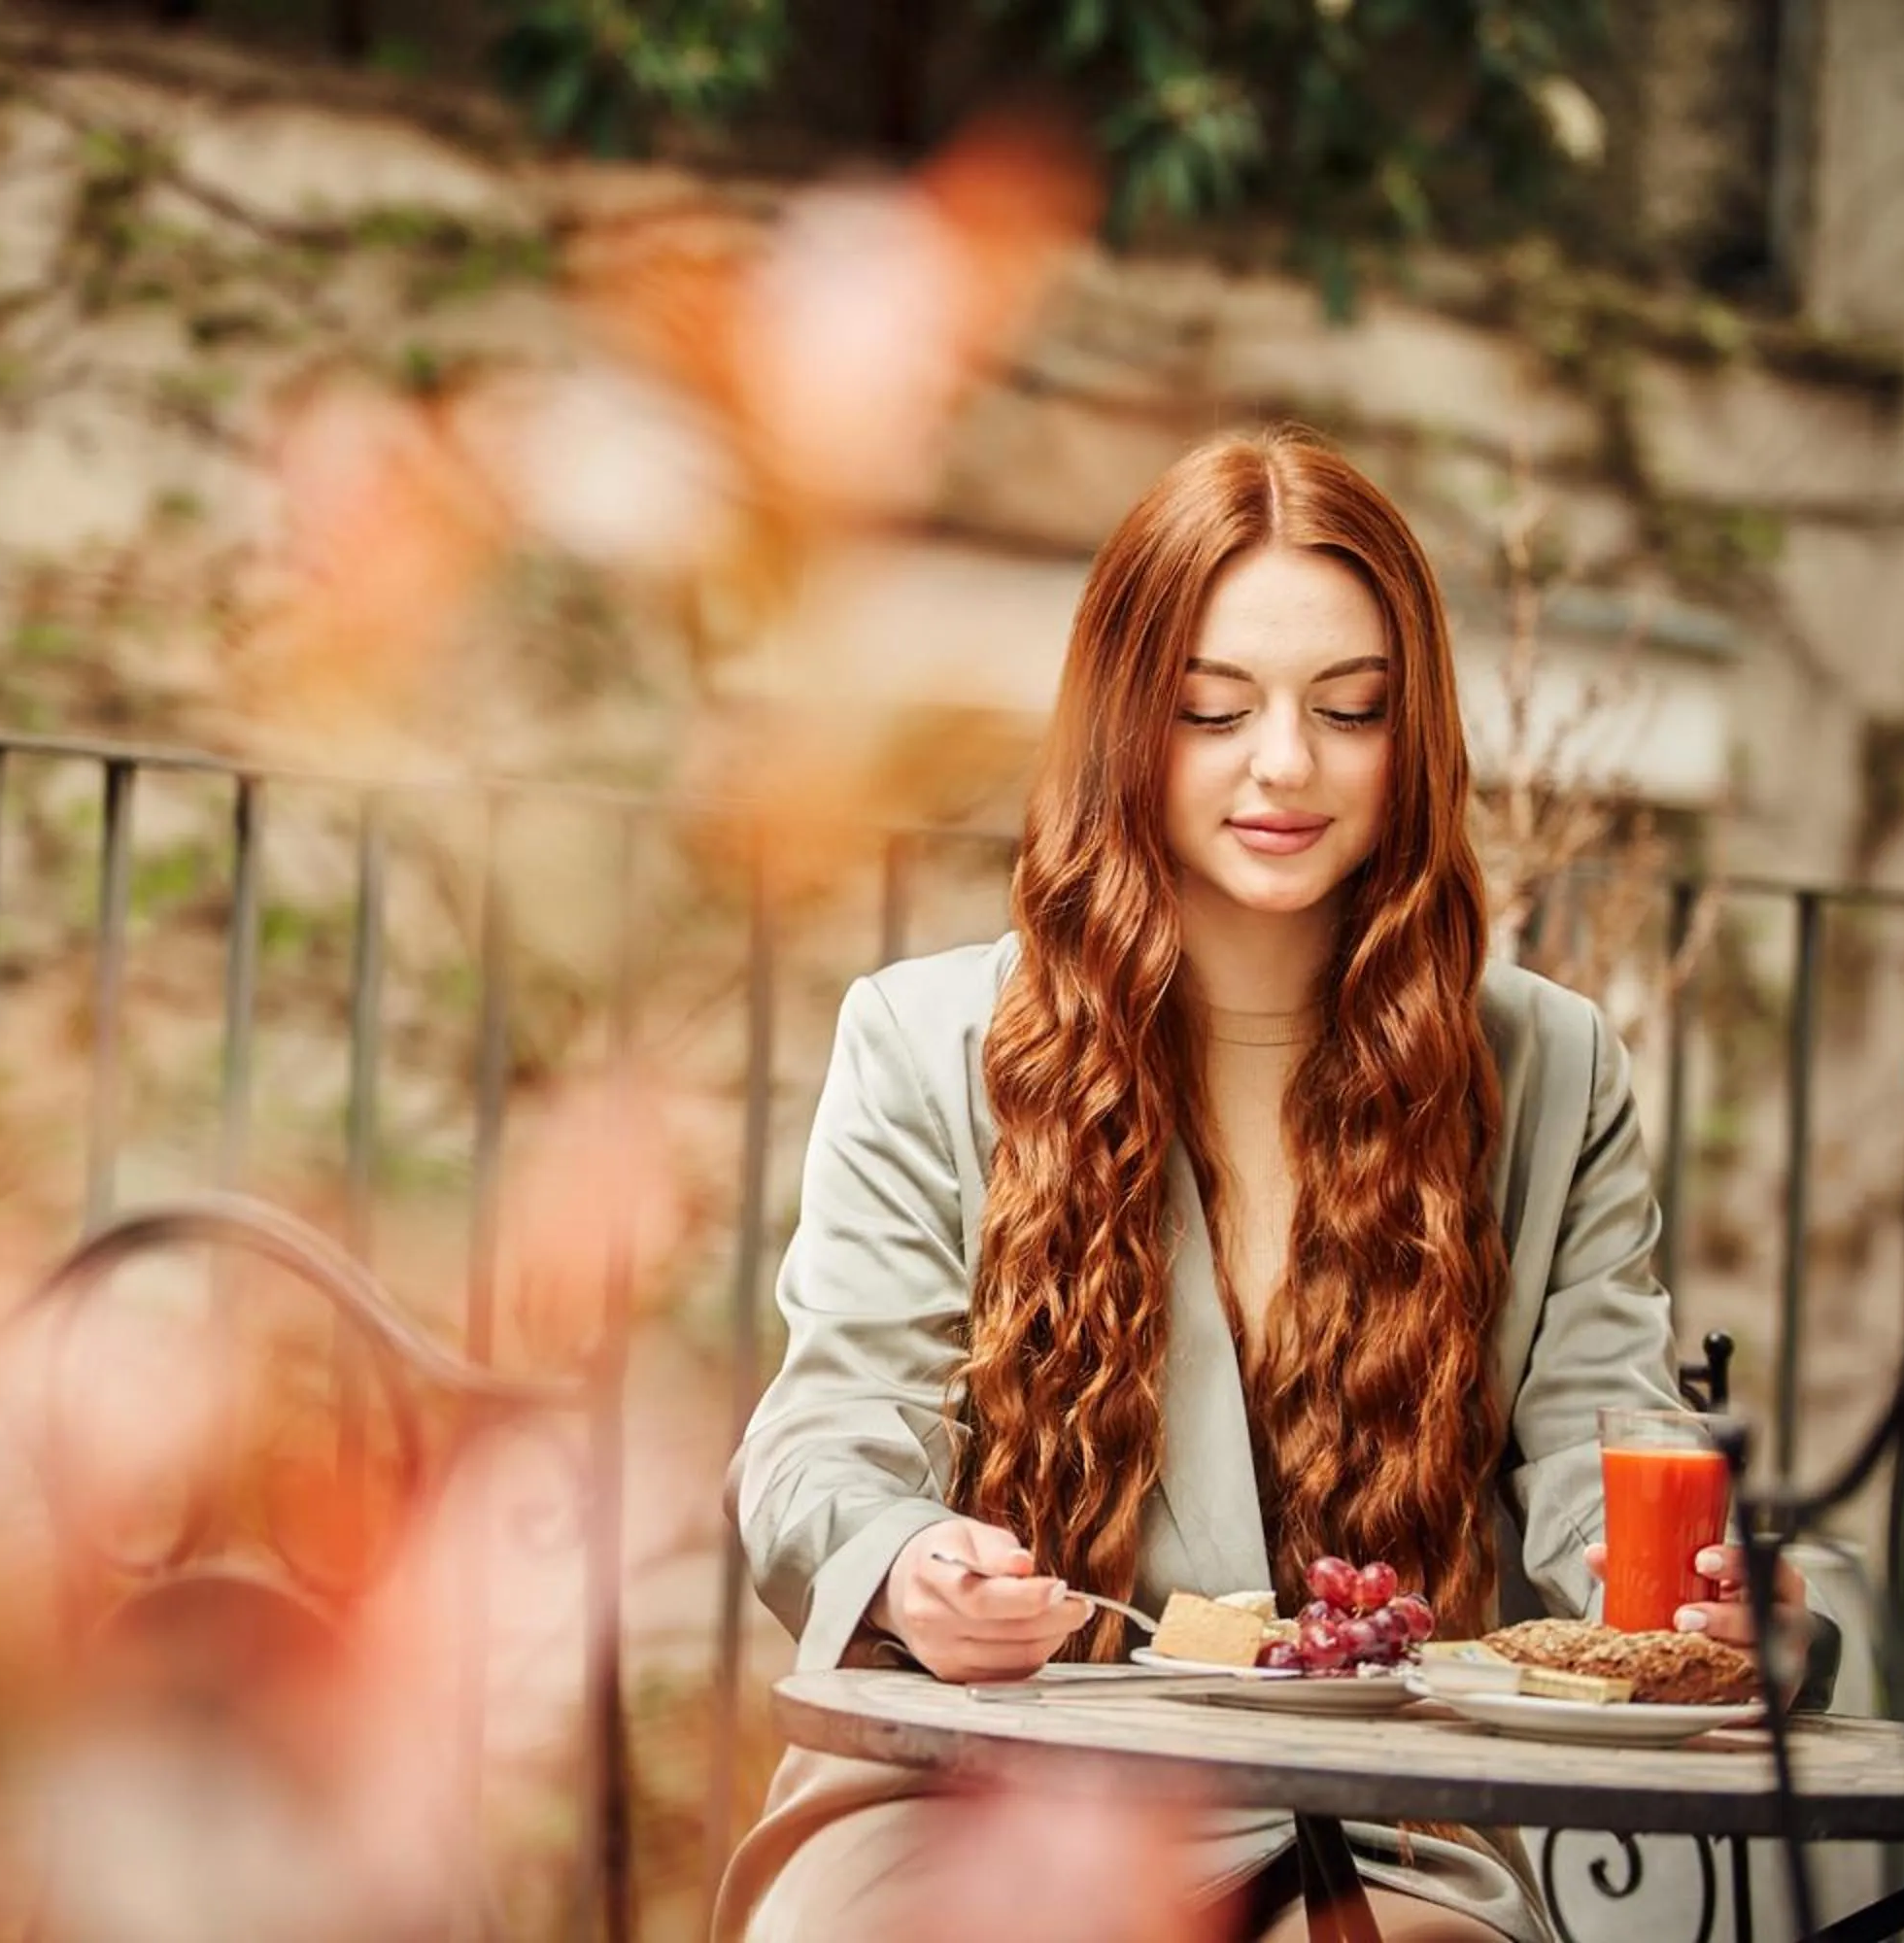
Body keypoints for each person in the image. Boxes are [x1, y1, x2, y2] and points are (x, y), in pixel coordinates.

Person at [716, 426, 1817, 1943]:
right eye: (1213, 710)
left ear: (1411, 734)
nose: (1283, 764)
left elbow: (1599, 1476)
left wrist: (1716, 1605)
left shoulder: (1550, 1070)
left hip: (1367, 1825)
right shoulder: (924, 1044)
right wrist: (908, 1565)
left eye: (1349, 710)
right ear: (1124, 726)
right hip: (978, 1795)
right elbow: (824, 1444)